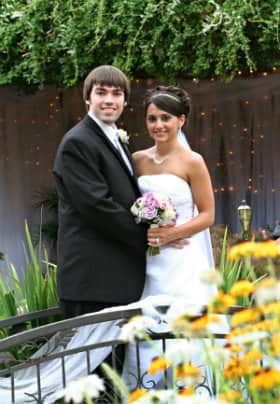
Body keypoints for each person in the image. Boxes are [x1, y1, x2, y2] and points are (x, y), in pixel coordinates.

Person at [123, 85, 218, 388]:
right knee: (147, 330)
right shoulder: (136, 159)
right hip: (148, 261)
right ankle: (145, 390)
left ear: (181, 120)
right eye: (152, 119)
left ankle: (193, 391)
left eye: (166, 117)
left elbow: (207, 214)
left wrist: (172, 234)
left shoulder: (193, 161)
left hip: (183, 260)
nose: (158, 125)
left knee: (187, 332)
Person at [53, 65, 147, 318]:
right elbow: (97, 206)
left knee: (119, 358)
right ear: (87, 98)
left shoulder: (115, 138)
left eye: (117, 93)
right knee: (94, 359)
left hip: (115, 280)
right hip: (92, 282)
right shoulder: (78, 142)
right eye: (101, 92)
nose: (109, 100)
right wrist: (149, 235)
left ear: (125, 100)